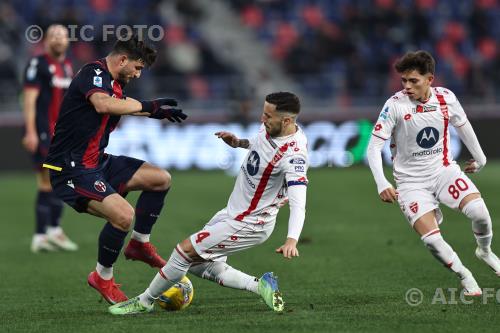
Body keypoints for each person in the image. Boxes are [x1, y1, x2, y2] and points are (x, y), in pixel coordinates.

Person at [108, 92, 309, 315]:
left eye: (268, 116)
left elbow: (299, 202)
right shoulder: (272, 128)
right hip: (233, 212)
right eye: (263, 113)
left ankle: (144, 302)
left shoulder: (294, 157)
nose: (262, 119)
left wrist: (292, 240)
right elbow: (260, 144)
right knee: (196, 263)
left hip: (251, 222)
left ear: (287, 121)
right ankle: (259, 285)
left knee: (183, 252)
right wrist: (239, 143)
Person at [43, 35, 188, 304]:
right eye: (138, 67)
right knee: (123, 215)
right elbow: (102, 104)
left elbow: (121, 104)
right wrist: (148, 106)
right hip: (70, 169)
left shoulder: (116, 84)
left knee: (160, 179)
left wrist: (154, 111)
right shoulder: (93, 73)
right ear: (122, 59)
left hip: (98, 162)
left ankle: (139, 244)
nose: (138, 74)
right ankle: (103, 276)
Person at [366, 50, 500, 296]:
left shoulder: (446, 98)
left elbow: (463, 124)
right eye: (403, 80)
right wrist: (381, 182)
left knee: (480, 213)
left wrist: (480, 158)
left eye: (413, 80)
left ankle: (485, 251)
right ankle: (464, 274)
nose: (406, 86)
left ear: (430, 79)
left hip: (443, 171)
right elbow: (373, 147)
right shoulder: (394, 105)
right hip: (410, 183)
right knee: (431, 239)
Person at [22, 24, 78, 253]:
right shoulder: (38, 64)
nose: (58, 39)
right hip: (43, 132)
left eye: (62, 36)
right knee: (48, 181)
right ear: (46, 40)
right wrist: (31, 131)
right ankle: (41, 235)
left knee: (58, 182)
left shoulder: (66, 66)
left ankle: (52, 231)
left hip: (61, 135)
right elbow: (28, 99)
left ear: (67, 41)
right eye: (54, 35)